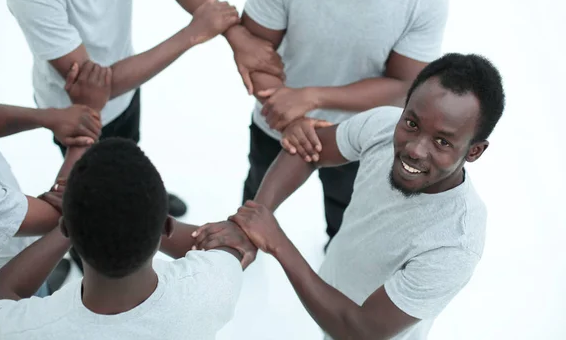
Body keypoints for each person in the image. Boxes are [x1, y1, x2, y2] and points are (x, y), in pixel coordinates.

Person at [195, 53, 506, 339]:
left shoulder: (455, 243)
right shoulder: (384, 126)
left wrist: (276, 242)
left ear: (474, 151)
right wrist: (252, 222)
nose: (415, 149)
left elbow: (361, 331)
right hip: (331, 294)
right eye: (411, 123)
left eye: (442, 142)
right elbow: (308, 151)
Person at [4, 0, 285, 220]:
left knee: (130, 156)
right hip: (74, 113)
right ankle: (89, 244)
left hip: (130, 81)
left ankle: (143, 198)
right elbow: (99, 89)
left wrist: (236, 36)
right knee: (93, 197)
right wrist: (193, 34)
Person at [236, 0, 449, 242]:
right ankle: (241, 248)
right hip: (276, 122)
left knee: (347, 219)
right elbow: (253, 50)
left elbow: (405, 86)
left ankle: (336, 264)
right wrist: (291, 121)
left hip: (358, 136)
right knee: (255, 198)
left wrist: (311, 97)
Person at [0, 138, 246, 340]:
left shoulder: (25, 331)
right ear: (165, 225)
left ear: (67, 230)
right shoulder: (214, 286)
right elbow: (228, 243)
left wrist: (73, 219)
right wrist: (143, 218)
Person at [0, 37, 104, 295]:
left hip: (10, 241)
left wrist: (49, 117)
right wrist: (88, 120)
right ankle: (43, 291)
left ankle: (46, 281)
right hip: (5, 277)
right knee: (36, 306)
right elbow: (58, 216)